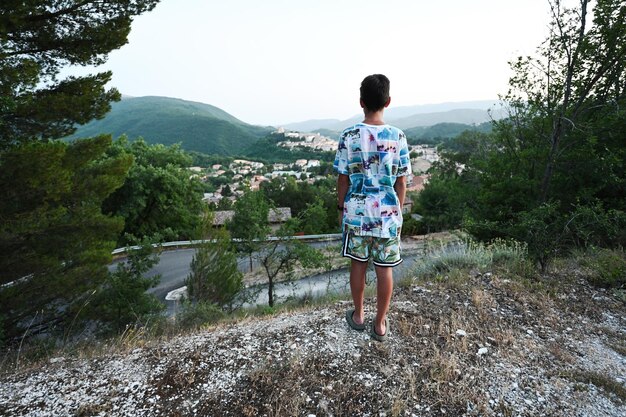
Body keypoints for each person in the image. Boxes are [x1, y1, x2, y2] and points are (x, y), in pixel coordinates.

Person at [334, 74, 411, 342]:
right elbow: (401, 181)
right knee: (384, 269)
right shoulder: (397, 136)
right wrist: (397, 211)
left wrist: (341, 206)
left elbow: (342, 177)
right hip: (388, 215)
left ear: (361, 102)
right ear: (388, 101)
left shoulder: (349, 135)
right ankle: (379, 324)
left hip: (356, 214)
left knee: (358, 265)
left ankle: (358, 316)